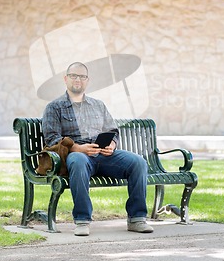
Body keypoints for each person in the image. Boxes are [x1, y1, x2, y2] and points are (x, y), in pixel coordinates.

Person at [42, 61, 154, 236]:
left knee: (138, 162)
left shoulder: (98, 105)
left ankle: (137, 218)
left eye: (82, 76)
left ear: (87, 80)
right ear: (66, 79)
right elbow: (51, 139)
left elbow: (112, 131)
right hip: (79, 156)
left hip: (104, 155)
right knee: (78, 161)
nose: (78, 79)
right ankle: (82, 220)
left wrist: (112, 145)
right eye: (73, 76)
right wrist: (78, 148)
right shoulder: (54, 107)